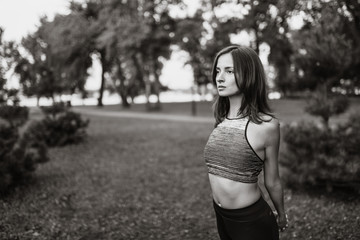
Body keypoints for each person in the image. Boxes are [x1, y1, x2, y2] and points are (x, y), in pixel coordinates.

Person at [203, 45, 288, 240]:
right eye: (218, 71)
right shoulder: (222, 119)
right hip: (222, 215)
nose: (219, 78)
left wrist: (281, 213)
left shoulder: (266, 125)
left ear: (249, 75)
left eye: (229, 71)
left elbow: (272, 180)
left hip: (251, 222)